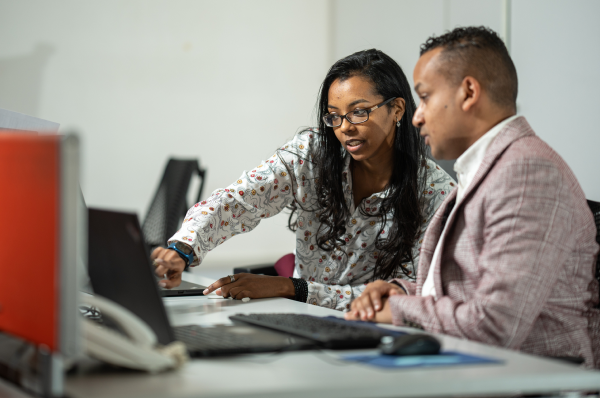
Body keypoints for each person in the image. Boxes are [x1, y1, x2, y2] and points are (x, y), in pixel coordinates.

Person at [346, 27, 600, 368]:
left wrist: (401, 311)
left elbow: (495, 325)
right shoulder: (488, 168)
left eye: (425, 97)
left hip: (531, 380)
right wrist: (402, 292)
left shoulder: (526, 171)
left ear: (468, 92)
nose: (417, 116)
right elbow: (468, 294)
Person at [151, 49, 454, 311]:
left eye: (358, 112)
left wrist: (293, 289)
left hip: (374, 333)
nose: (344, 128)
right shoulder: (312, 154)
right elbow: (239, 200)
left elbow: (414, 295)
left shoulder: (436, 193)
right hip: (302, 316)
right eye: (334, 116)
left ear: (397, 109)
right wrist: (183, 249)